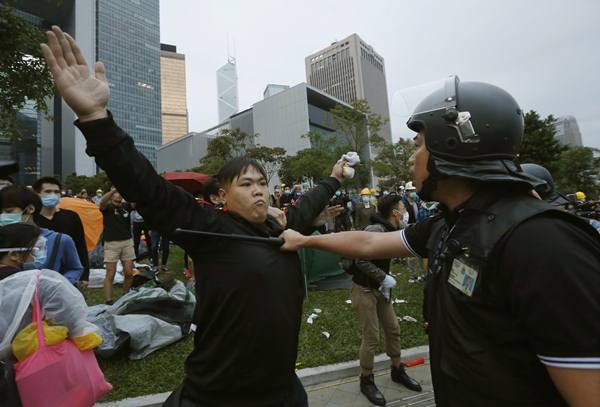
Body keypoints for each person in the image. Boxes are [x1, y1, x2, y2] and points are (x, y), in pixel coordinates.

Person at [40, 26, 345, 406]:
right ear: (222, 195)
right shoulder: (210, 229)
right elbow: (147, 188)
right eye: (246, 184)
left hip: (281, 391)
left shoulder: (279, 229)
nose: (259, 190)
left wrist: (332, 179)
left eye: (263, 183)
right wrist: (97, 118)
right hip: (218, 393)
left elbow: (306, 207)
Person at [281, 76, 600, 406]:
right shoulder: (449, 224)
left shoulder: (540, 240)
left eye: (418, 144)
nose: (410, 158)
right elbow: (369, 245)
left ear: (454, 144)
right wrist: (306, 241)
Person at [0, 223, 106, 406]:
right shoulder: (39, 281)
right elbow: (72, 317)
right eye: (36, 249)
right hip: (28, 367)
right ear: (14, 254)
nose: (40, 254)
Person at [347, 194, 421, 405]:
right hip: (365, 289)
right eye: (401, 207)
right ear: (394, 212)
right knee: (371, 337)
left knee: (393, 328)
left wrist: (385, 281)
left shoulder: (392, 229)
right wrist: (384, 277)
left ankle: (397, 370)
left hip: (381, 289)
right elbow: (360, 259)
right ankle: (366, 379)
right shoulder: (376, 230)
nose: (404, 211)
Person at [0, 186, 83, 284]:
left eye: (8, 211)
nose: (2, 216)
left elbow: (75, 268)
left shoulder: (59, 240)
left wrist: (60, 284)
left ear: (30, 209)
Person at [32, 177, 90, 284]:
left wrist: (84, 276)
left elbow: (80, 245)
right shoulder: (31, 219)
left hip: (69, 274)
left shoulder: (71, 216)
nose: (53, 195)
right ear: (37, 194)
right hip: (39, 274)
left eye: (56, 192)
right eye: (48, 191)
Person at [98, 187, 135, 304]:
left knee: (129, 272)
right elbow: (102, 203)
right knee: (110, 273)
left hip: (127, 242)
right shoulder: (107, 207)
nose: (118, 195)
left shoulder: (126, 206)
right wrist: (113, 190)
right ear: (112, 195)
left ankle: (125, 295)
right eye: (116, 193)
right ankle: (109, 301)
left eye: (120, 193)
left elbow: (135, 202)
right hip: (111, 243)